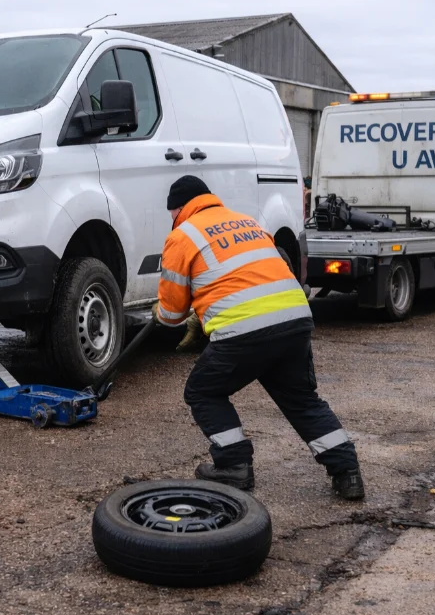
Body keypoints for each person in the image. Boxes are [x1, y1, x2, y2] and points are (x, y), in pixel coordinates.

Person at [152, 175, 364, 500]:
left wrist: (164, 312)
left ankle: (234, 466)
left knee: (203, 391)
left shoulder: (183, 235)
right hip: (295, 320)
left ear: (179, 208)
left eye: (172, 214)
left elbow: (171, 314)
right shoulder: (245, 222)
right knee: (302, 400)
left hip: (244, 331)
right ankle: (347, 472)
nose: (172, 220)